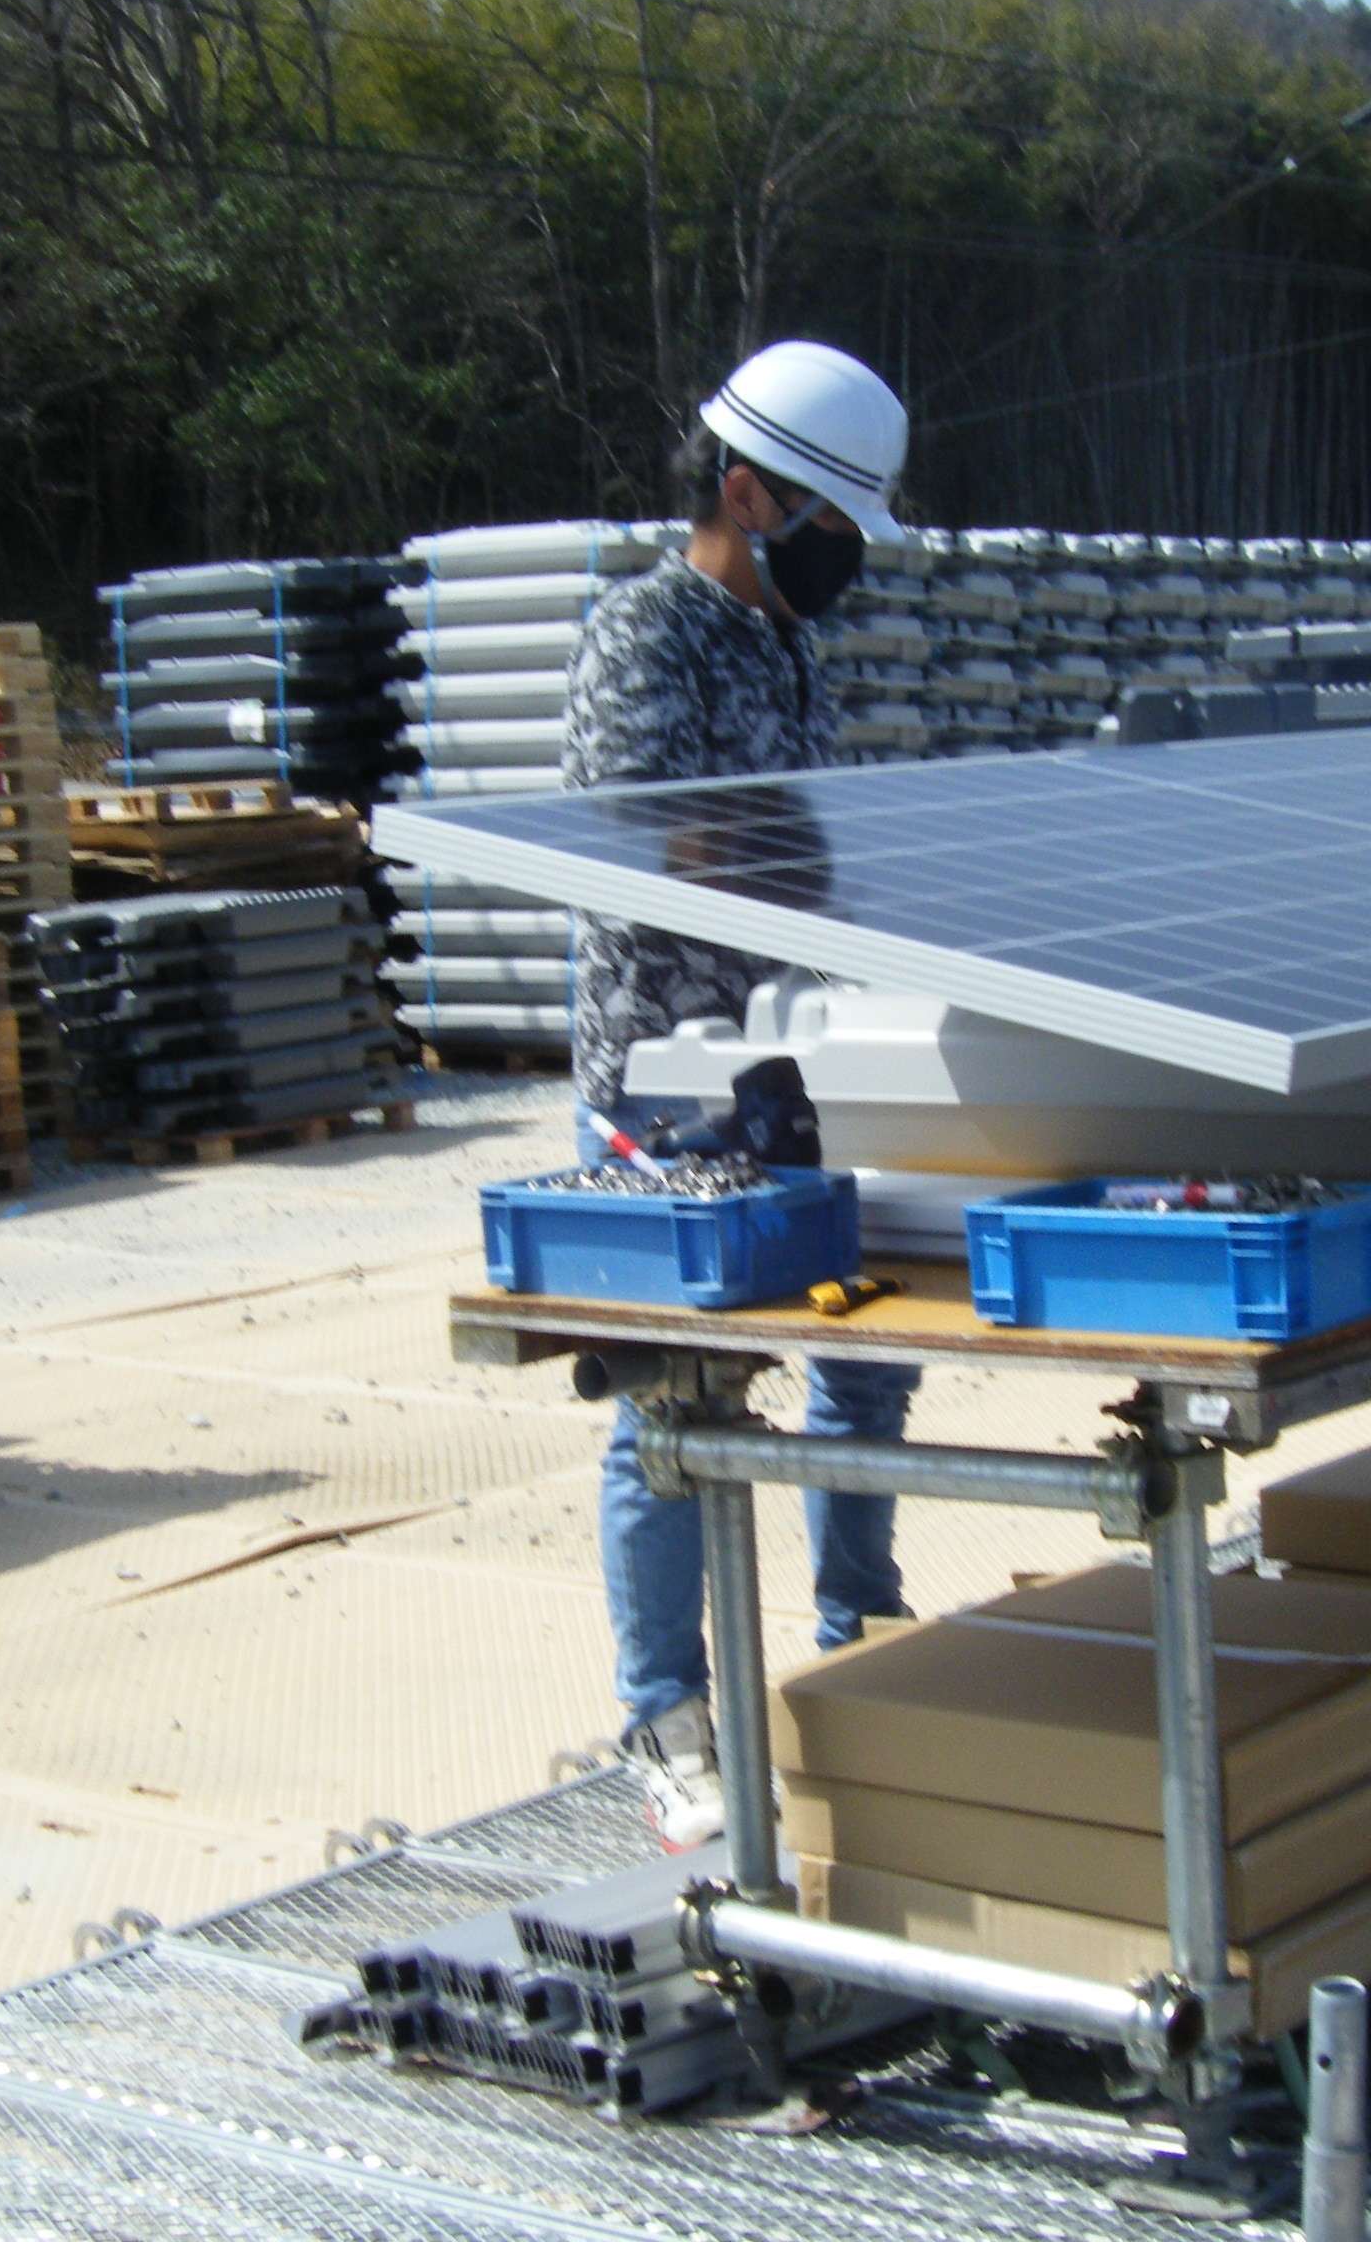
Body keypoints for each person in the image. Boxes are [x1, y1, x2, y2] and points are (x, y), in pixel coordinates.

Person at [564, 339, 921, 1850]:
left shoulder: (784, 644)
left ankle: (861, 1640)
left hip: (792, 1053)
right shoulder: (643, 633)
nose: (845, 559)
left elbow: (804, 846)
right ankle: (668, 1720)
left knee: (869, 1352)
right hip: (664, 1075)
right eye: (832, 526)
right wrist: (829, 868)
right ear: (750, 495)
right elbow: (659, 843)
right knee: (674, 1399)